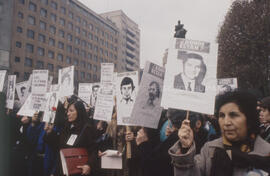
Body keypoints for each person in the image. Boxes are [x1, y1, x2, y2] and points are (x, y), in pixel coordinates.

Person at [169, 90, 270, 176]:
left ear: (249, 119)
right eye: (222, 115)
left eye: (233, 115)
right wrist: (185, 149)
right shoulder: (210, 149)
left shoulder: (266, 152)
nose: (226, 122)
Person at [44, 100, 98, 176]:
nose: (68, 113)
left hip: (78, 171)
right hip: (64, 169)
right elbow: (58, 145)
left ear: (79, 111)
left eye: (71, 111)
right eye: (67, 111)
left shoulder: (87, 129)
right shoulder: (66, 127)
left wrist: (88, 165)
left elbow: (94, 150)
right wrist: (50, 133)